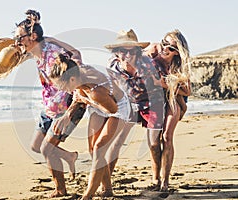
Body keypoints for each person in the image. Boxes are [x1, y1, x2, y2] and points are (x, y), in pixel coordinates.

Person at [14, 9, 84, 197]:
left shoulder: (54, 55)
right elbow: (12, 56)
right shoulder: (35, 53)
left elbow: (75, 62)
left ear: (33, 36)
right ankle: (70, 156)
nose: (17, 41)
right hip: (50, 107)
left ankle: (60, 190)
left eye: (20, 37)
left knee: (47, 148)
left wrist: (69, 111)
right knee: (36, 146)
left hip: (67, 107)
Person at [49, 54, 131, 200]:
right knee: (93, 150)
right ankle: (107, 189)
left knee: (99, 148)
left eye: (63, 86)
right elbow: (77, 97)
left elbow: (111, 110)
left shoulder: (96, 91)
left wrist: (87, 100)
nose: (62, 90)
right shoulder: (76, 74)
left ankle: (88, 196)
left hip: (117, 108)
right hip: (98, 105)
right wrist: (67, 116)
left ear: (72, 80)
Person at [104, 29, 165, 193]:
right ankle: (106, 179)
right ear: (117, 53)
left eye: (131, 50)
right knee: (116, 142)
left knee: (153, 142)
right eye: (122, 51)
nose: (127, 55)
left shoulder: (148, 63)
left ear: (137, 51)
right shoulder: (113, 67)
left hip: (153, 102)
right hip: (129, 104)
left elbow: (163, 80)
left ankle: (156, 178)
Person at [143, 29, 191, 191]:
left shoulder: (179, 66)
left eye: (170, 48)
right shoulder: (153, 55)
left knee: (167, 137)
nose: (165, 48)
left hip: (172, 101)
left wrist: (165, 83)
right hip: (155, 102)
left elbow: (187, 91)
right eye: (164, 43)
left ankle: (165, 180)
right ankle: (155, 177)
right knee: (153, 143)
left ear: (177, 53)